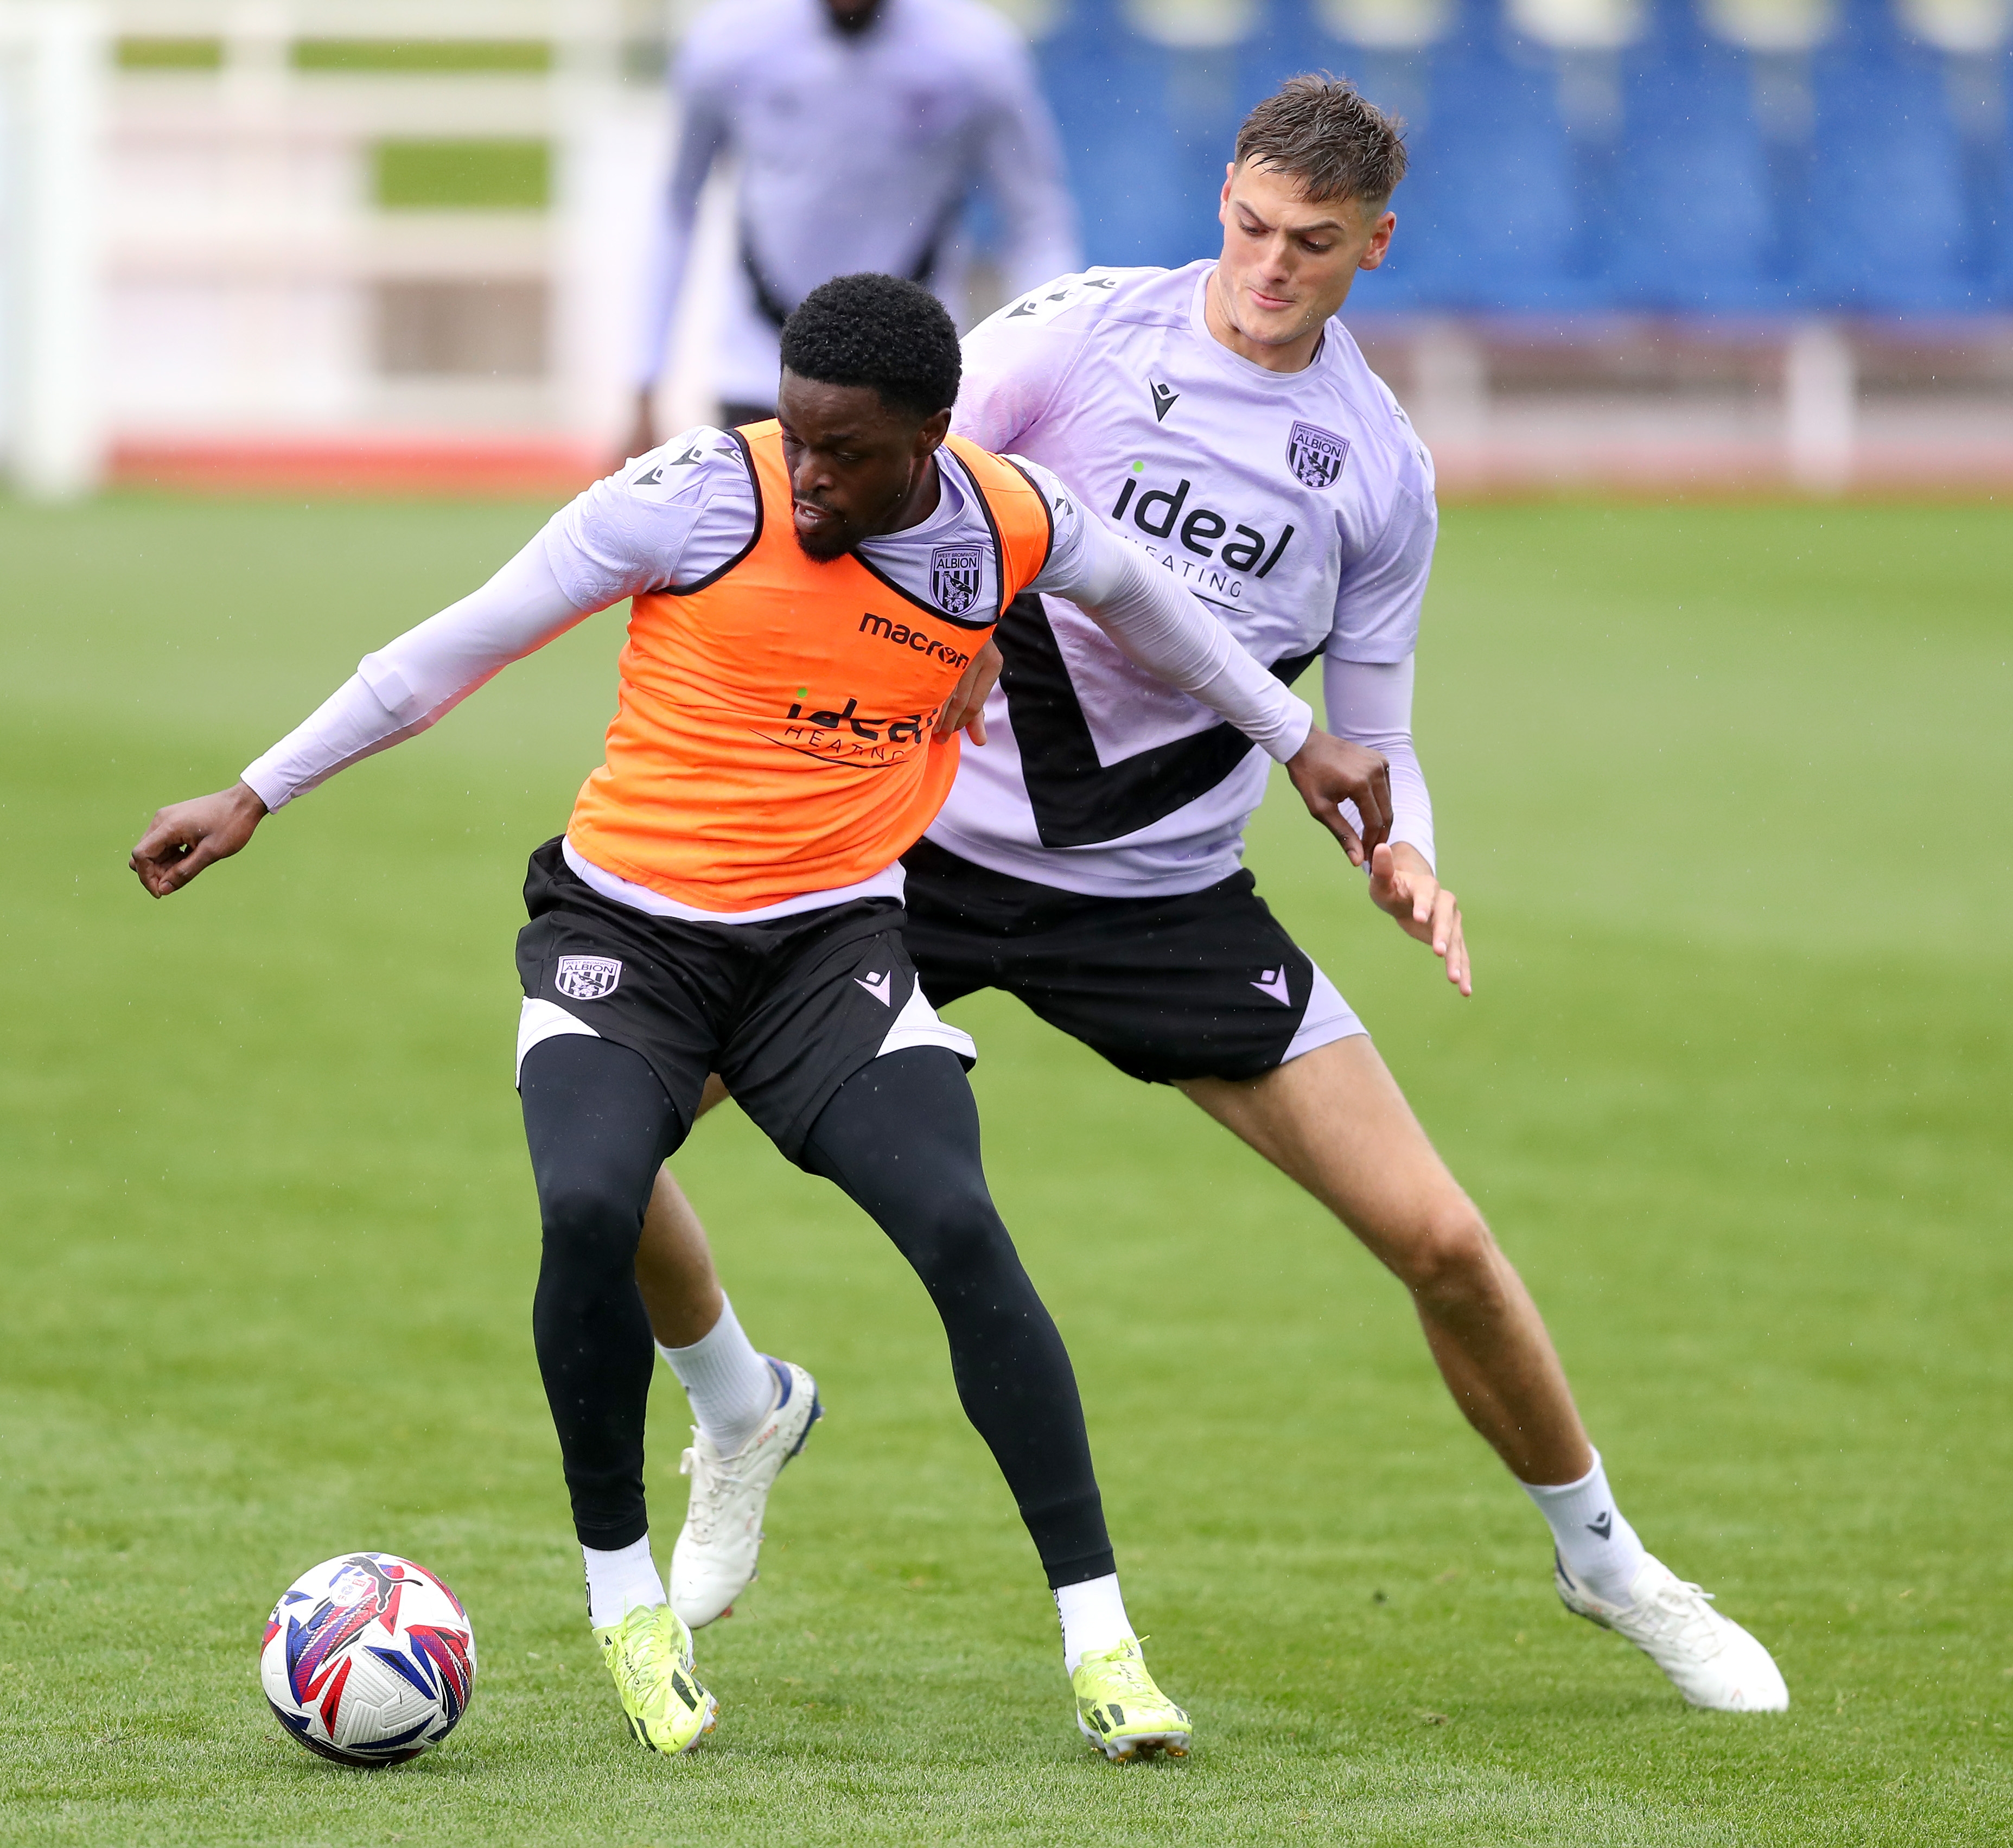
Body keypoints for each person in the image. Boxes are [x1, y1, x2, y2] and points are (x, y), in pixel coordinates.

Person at [633, 77, 1792, 1714]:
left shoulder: (1378, 474)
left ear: (1371, 248)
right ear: (1223, 204)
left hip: (1161, 901)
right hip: (912, 851)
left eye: (1308, 245)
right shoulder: (1078, 336)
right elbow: (885, 490)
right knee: (609, 1136)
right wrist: (936, 648)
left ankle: (1607, 1558)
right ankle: (737, 1399)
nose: (1265, 267)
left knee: (1440, 1238)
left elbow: (1371, 734)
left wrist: (1407, 849)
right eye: (1247, 227)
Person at [129, 272, 1400, 1760]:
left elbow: (1155, 610)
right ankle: (627, 1600)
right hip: (624, 934)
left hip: (829, 949)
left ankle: (1103, 1641)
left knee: (958, 1225)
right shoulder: (683, 501)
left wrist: (1298, 736)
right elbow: (452, 647)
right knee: (590, 1200)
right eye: (792, 433)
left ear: (931, 433)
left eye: (844, 450)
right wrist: (254, 789)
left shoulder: (1008, 521)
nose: (805, 472)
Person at [629, 0, 1079, 454]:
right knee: (764, 524)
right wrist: (644, 381)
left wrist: (1049, 374)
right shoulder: (728, 42)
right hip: (759, 366)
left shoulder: (976, 54)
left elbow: (1036, 219)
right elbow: (677, 207)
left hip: (909, 377)